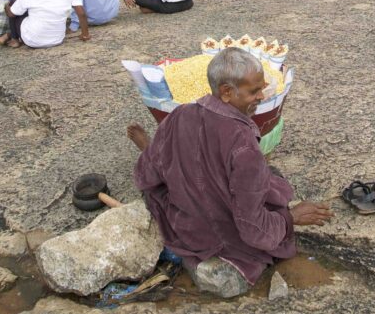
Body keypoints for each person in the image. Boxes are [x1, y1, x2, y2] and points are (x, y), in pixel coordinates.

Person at [128, 48, 332, 295]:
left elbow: (147, 173)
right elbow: (252, 228)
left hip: (184, 220)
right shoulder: (244, 146)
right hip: (217, 236)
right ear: (226, 92)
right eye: (254, 91)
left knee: (170, 165)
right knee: (273, 187)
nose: (262, 95)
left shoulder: (180, 114)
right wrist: (292, 218)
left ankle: (152, 147)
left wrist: (154, 152)